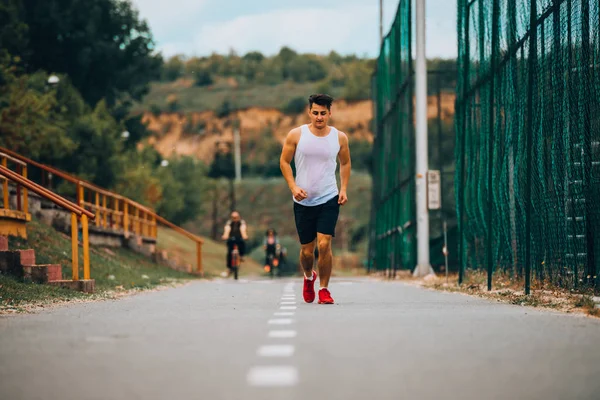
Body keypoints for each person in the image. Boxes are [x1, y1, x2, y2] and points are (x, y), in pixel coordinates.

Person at [279, 93, 351, 304]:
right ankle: (309, 277)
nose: (319, 117)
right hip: (303, 201)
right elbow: (284, 162)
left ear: (330, 113)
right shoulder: (296, 135)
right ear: (309, 112)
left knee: (325, 244)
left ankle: (325, 290)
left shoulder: (339, 137)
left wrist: (344, 188)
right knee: (307, 252)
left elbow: (345, 163)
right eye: (315, 113)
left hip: (329, 197)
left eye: (323, 113)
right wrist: (293, 187)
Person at [221, 211, 248, 277]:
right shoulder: (229, 222)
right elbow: (227, 229)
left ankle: (241, 255)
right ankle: (229, 268)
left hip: (239, 237)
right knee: (229, 252)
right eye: (233, 218)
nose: (235, 219)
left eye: (236, 217)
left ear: (239, 217)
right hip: (231, 238)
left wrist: (244, 235)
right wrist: (225, 235)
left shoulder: (242, 222)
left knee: (242, 244)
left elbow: (243, 229)